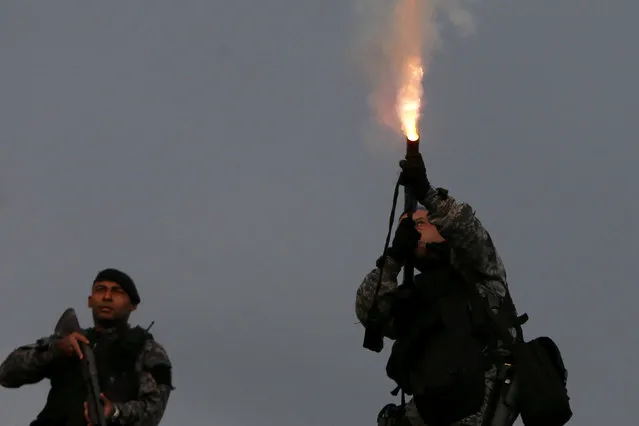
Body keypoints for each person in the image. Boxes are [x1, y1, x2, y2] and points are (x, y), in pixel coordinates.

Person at [355, 152, 524, 426]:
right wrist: (393, 258)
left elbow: (465, 227)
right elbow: (370, 313)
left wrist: (425, 191)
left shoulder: (477, 273)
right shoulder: (419, 295)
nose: (412, 230)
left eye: (420, 223)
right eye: (406, 229)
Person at [0, 268, 174, 426]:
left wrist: (114, 411)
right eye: (100, 290)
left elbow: (153, 411)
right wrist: (55, 350)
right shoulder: (69, 340)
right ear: (90, 301)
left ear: (133, 305)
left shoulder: (147, 350)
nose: (107, 297)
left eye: (117, 292)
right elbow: (6, 374)